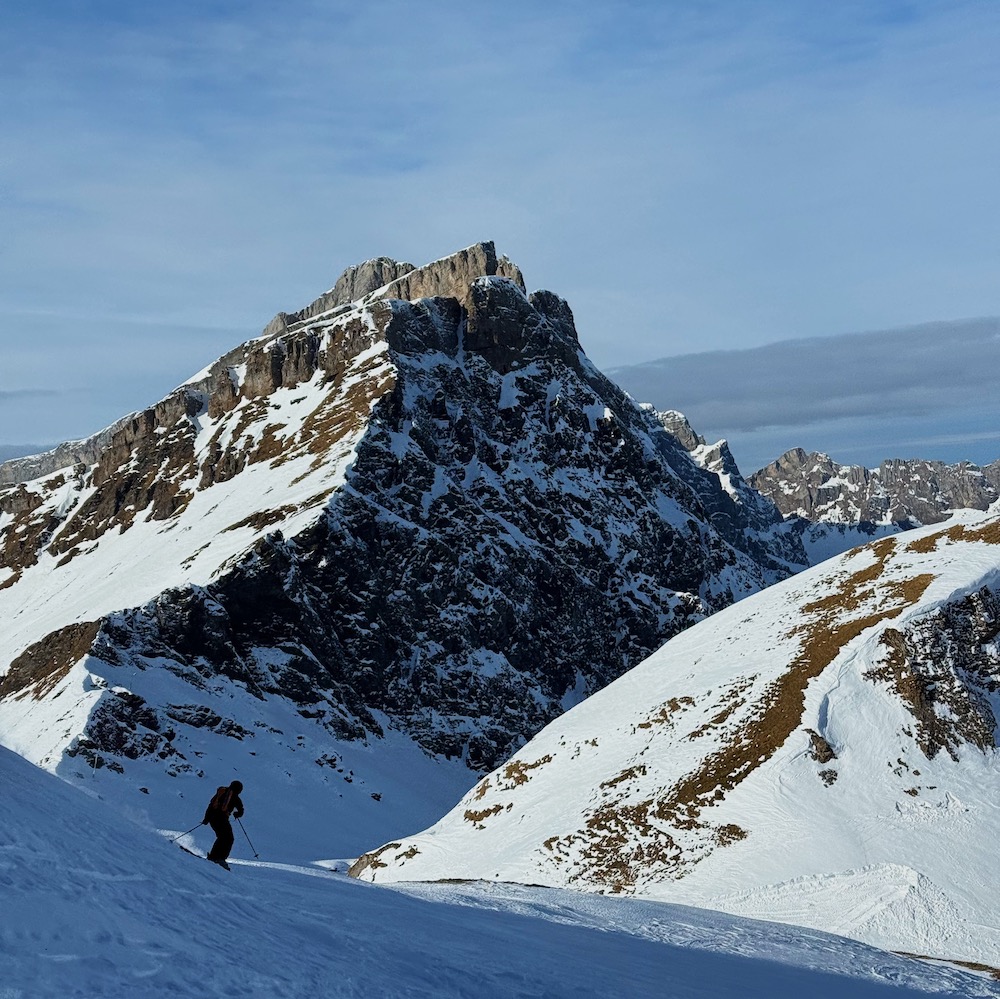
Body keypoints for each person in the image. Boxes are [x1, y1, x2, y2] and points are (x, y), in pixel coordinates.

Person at [203, 780, 244, 870]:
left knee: (222, 837)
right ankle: (219, 858)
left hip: (213, 819)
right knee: (228, 838)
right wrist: (237, 814)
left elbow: (211, 805)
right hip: (221, 818)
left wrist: (206, 819)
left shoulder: (221, 792)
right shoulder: (235, 797)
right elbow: (241, 810)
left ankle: (214, 856)